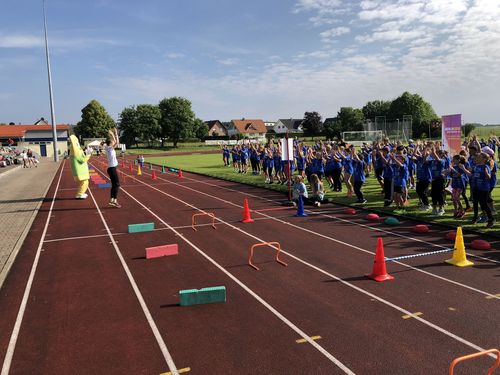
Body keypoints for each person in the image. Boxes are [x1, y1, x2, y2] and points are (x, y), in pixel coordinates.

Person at [104, 128, 121, 208]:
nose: (113, 142)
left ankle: (112, 200)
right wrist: (116, 134)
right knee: (117, 185)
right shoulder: (110, 148)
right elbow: (117, 142)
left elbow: (114, 141)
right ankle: (115, 200)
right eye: (112, 142)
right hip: (112, 169)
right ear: (110, 143)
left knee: (114, 185)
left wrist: (112, 134)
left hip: (110, 169)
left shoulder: (107, 148)